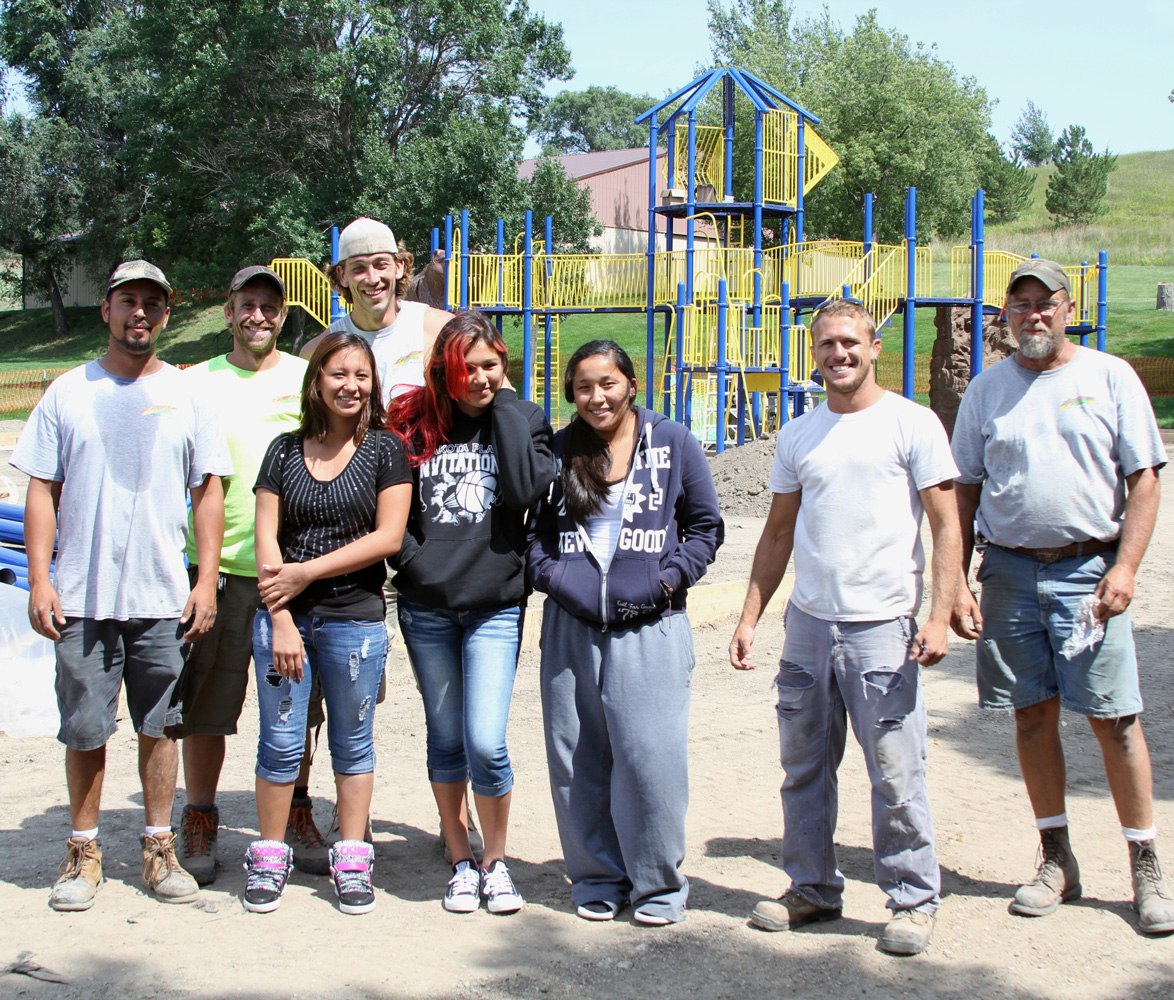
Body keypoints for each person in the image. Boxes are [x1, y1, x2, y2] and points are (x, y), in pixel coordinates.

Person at [729, 298, 962, 956]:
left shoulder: (911, 426)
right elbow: (778, 532)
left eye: (850, 342)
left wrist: (938, 613)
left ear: (874, 347)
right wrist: (751, 615)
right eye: (827, 345)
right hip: (809, 626)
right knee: (803, 768)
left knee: (894, 772)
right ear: (815, 353)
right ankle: (811, 887)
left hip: (882, 629)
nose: (839, 355)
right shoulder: (800, 435)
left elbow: (947, 526)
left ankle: (913, 898)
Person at [950, 258, 1172, 933]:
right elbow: (963, 490)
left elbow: (1144, 479)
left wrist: (1127, 568)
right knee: (1030, 715)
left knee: (1116, 718)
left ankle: (1146, 864)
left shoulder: (1109, 378)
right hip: (1011, 574)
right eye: (1020, 306)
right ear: (1006, 317)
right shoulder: (987, 391)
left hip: (1089, 572)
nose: (1032, 316)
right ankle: (1057, 859)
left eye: (1043, 303)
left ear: (1066, 307)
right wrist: (956, 580)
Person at [13, 260, 231, 911]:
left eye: (153, 304)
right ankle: (83, 851)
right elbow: (41, 491)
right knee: (85, 728)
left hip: (163, 595)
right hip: (81, 594)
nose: (141, 313)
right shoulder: (67, 393)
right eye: (128, 301)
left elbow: (209, 491)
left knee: (161, 726)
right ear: (106, 309)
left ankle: (159, 849)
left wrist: (207, 580)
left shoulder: (189, 393)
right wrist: (40, 580)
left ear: (165, 315)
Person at [526, 340, 723, 926]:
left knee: (650, 759)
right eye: (584, 386)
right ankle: (595, 878)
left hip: (651, 627)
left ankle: (658, 887)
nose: (597, 396)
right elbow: (531, 534)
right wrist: (555, 578)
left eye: (608, 383)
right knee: (576, 757)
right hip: (570, 625)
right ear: (570, 394)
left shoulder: (672, 442)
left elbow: (705, 527)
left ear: (631, 385)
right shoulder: (558, 451)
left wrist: (667, 581)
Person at [295, 218, 460, 863]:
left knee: (442, 685)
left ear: (402, 264)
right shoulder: (323, 347)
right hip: (344, 534)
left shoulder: (434, 329)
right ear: (340, 276)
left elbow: (488, 394)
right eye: (358, 267)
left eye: (383, 263)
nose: (373, 277)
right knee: (316, 679)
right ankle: (305, 805)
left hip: (430, 528)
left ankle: (457, 822)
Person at [386, 309, 554, 914]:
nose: (481, 377)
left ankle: (496, 860)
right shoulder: (411, 423)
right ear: (443, 370)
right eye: (468, 367)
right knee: (447, 736)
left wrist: (506, 405)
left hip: (493, 609)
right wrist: (416, 563)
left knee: (487, 741)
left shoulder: (523, 418)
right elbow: (392, 509)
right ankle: (459, 856)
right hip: (428, 606)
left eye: (492, 365)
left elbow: (525, 490)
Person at [243, 330, 412, 914]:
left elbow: (387, 538)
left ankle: (351, 858)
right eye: (338, 373)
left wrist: (304, 573)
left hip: (354, 622)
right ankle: (268, 855)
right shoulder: (284, 451)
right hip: (283, 620)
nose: (351, 386)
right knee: (282, 741)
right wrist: (281, 617)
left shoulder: (386, 450)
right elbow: (267, 542)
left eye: (362, 375)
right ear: (316, 380)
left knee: (352, 741)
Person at [172, 265, 307, 885]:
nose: (259, 316)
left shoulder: (307, 378)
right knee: (206, 706)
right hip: (221, 571)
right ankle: (200, 814)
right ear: (228, 311)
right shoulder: (197, 383)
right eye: (247, 305)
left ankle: (298, 807)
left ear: (283, 314)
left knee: (299, 708)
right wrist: (198, 575)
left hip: (296, 572)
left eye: (270, 306)